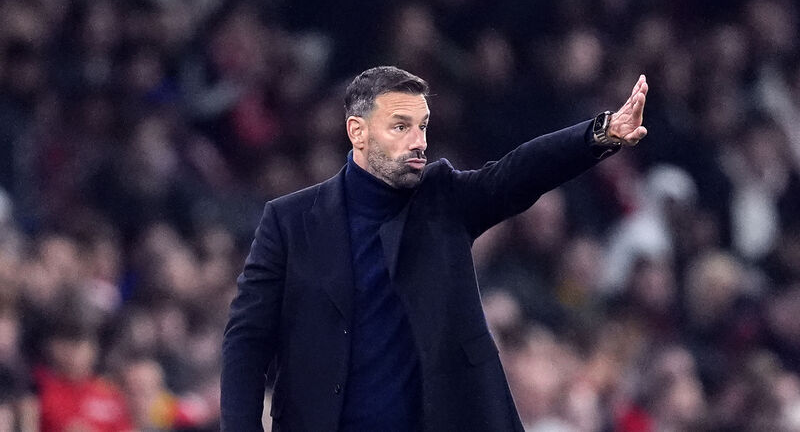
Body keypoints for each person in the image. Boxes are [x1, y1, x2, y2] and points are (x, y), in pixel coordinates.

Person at [221, 66, 648, 431]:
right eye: (401, 126)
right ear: (357, 132)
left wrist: (599, 134)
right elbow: (247, 340)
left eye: (422, 126)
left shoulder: (442, 198)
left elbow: (517, 173)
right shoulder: (289, 222)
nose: (419, 141)